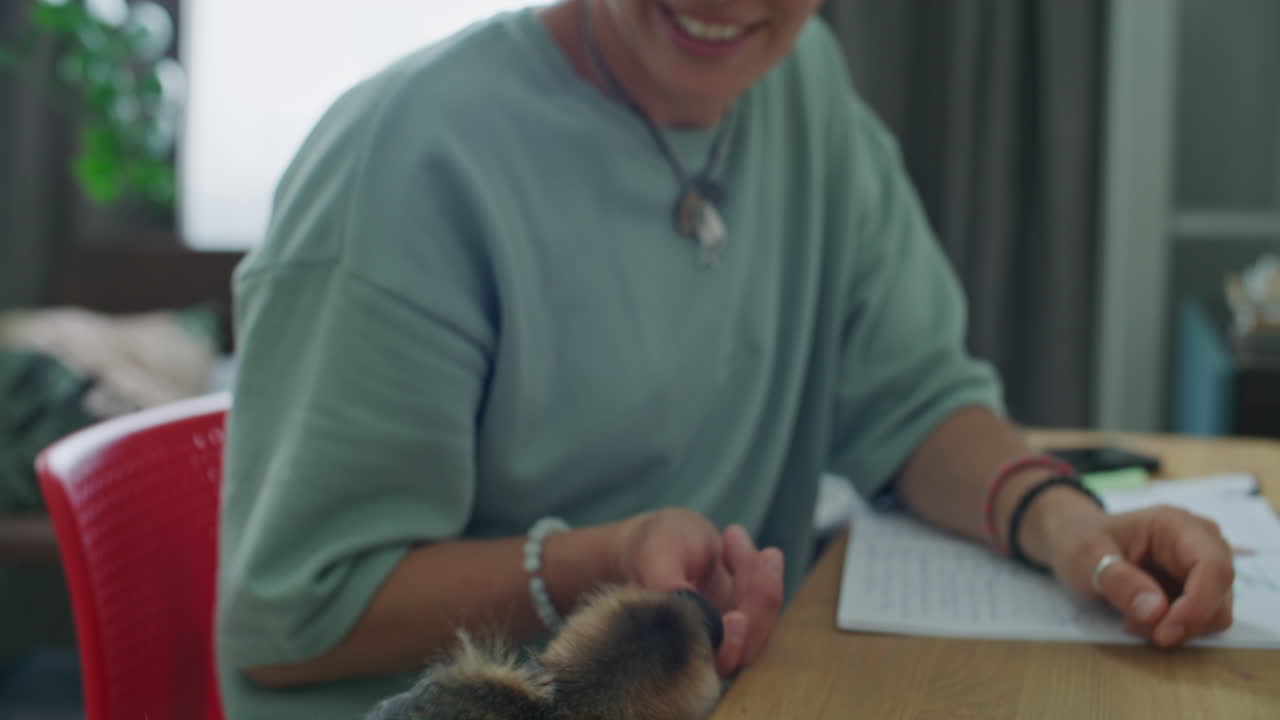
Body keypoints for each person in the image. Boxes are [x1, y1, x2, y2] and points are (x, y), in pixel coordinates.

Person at [216, 1, 1237, 718]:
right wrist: (605, 564)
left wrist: (1074, 533)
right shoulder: (403, 163)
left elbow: (914, 398)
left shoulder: (801, 87)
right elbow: (295, 621)